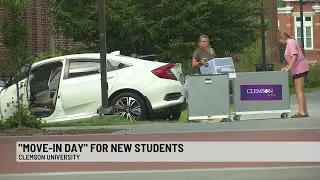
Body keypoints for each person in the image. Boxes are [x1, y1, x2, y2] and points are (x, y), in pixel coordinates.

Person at [279, 31, 309, 118]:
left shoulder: (290, 42)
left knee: (298, 89)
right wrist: (287, 67)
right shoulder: (291, 42)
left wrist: (289, 67)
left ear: (281, 38)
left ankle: (301, 112)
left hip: (300, 68)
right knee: (300, 90)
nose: (280, 43)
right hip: (300, 68)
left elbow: (294, 56)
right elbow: (292, 58)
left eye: (280, 41)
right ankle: (305, 111)